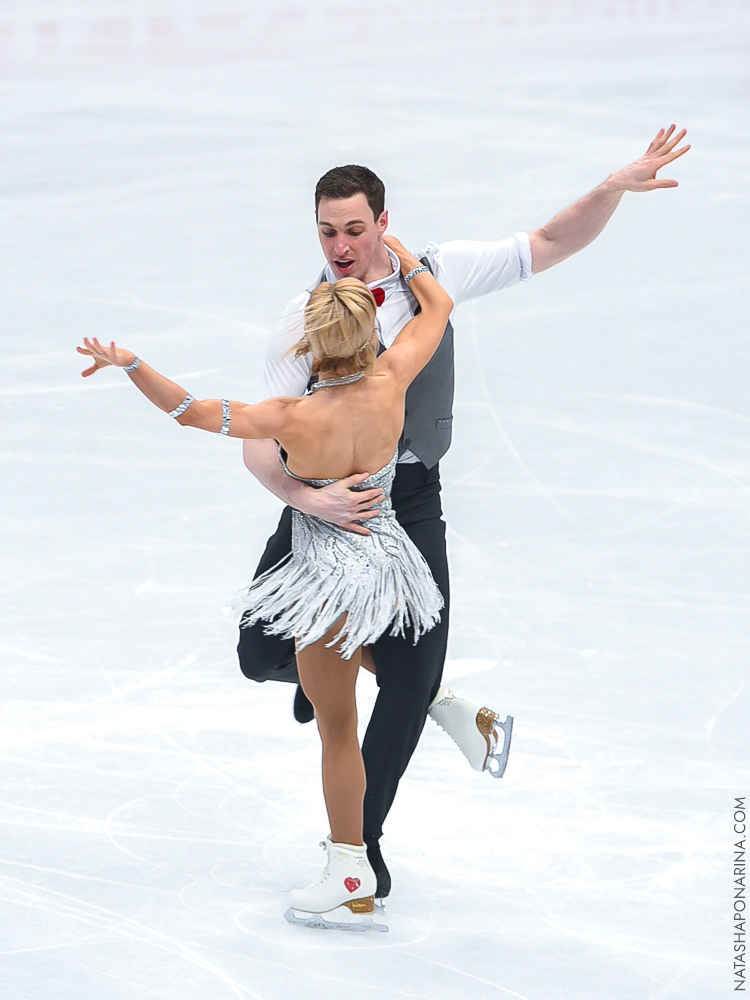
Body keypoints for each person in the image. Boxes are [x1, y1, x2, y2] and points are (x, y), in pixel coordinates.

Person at [238, 125, 691, 901]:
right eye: (327, 230)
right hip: (328, 511)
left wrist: (611, 188)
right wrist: (306, 497)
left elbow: (547, 241)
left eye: (354, 228)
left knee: (408, 682)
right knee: (260, 655)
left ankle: (357, 848)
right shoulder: (304, 317)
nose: (340, 245)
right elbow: (260, 443)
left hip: (409, 499)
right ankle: (425, 698)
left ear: (383, 222)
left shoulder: (434, 274)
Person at [77, 235, 454, 931]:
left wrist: (132, 363)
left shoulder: (293, 416)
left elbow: (190, 410)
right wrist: (402, 260)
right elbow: (436, 305)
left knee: (336, 725)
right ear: (371, 328)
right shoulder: (395, 377)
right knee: (347, 701)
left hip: (325, 581)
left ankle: (349, 864)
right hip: (389, 560)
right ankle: (438, 698)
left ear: (314, 343)